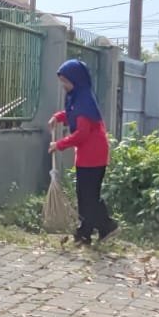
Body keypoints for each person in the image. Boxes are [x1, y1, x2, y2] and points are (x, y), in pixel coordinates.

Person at [47, 59, 117, 244]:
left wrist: (59, 144)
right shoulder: (77, 98)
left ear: (76, 81)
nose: (63, 85)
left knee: (88, 195)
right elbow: (71, 114)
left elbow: (82, 133)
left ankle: (94, 229)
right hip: (87, 154)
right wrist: (58, 117)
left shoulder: (84, 101)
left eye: (66, 81)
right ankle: (97, 229)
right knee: (85, 194)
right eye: (62, 81)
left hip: (94, 154)